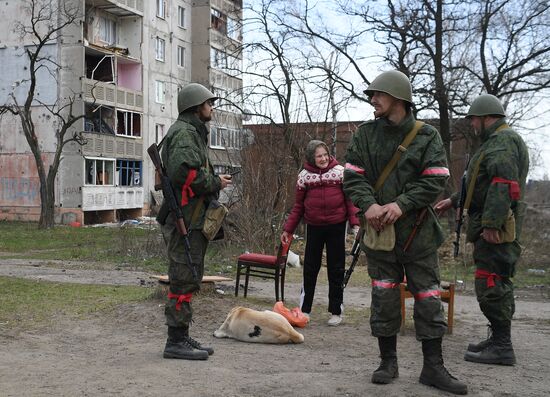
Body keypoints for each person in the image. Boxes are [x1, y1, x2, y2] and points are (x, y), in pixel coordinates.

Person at [343, 70, 467, 395]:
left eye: (378, 95)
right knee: (383, 295)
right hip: (380, 233)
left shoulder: (426, 136)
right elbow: (353, 175)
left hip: (418, 234)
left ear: (398, 97)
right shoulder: (364, 135)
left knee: (427, 298)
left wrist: (401, 204)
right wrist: (368, 205)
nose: (373, 100)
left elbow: (436, 177)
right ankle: (388, 362)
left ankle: (434, 367)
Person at [434, 94, 529, 366]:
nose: (473, 124)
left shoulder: (502, 142)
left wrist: (491, 224)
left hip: (496, 229)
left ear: (487, 117)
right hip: (492, 224)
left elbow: (501, 184)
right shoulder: (494, 142)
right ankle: (498, 338)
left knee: (492, 282)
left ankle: (502, 345)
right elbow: (479, 183)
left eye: (475, 119)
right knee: (494, 279)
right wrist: (453, 200)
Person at [157, 83, 232, 360]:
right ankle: (175, 341)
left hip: (192, 218)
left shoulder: (192, 132)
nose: (211, 107)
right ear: (196, 106)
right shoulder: (186, 133)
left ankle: (181, 336)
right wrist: (215, 182)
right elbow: (184, 175)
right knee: (182, 277)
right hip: (186, 219)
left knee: (188, 277)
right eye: (208, 103)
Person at [281, 140, 359, 326]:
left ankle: (336, 311)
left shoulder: (340, 172)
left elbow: (350, 201)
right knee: (310, 268)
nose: (323, 158)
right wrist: (288, 229)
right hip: (314, 227)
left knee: (336, 268)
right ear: (311, 158)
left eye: (325, 154)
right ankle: (305, 310)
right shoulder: (304, 176)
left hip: (337, 226)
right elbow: (298, 206)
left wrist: (355, 225)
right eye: (319, 156)